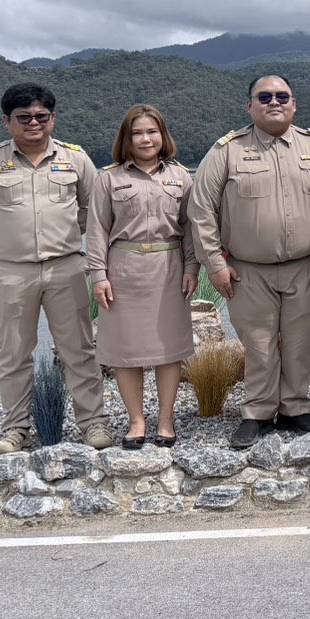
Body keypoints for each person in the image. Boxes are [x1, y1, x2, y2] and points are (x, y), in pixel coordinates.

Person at [0, 82, 113, 454]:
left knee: (80, 350)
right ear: (8, 121)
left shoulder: (75, 159)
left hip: (67, 268)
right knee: (14, 353)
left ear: (53, 119)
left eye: (41, 116)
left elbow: (96, 209)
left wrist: (71, 233)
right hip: (10, 272)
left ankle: (94, 424)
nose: (33, 123)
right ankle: (15, 430)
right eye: (24, 117)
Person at [188, 75, 310, 450]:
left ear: (294, 104)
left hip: (307, 265)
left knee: (302, 343)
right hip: (248, 270)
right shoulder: (226, 151)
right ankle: (257, 413)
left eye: (281, 96)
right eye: (264, 97)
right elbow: (201, 209)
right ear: (249, 106)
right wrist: (214, 264)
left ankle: (295, 409)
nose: (274, 102)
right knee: (259, 345)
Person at [86, 105, 198, 449]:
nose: (146, 139)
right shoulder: (110, 179)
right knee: (125, 351)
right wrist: (98, 275)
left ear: (163, 136)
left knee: (169, 349)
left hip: (169, 268)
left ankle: (166, 419)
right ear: (127, 139)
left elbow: (190, 229)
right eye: (137, 133)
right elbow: (96, 231)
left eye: (152, 131)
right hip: (124, 270)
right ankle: (136, 420)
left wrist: (193, 268)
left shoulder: (181, 177)